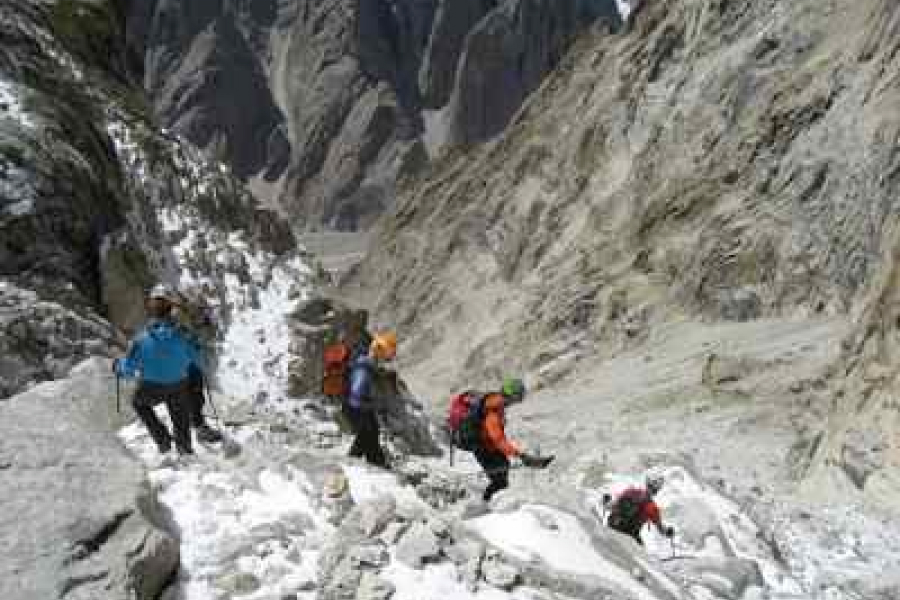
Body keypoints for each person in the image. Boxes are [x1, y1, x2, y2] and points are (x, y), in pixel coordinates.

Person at [114, 284, 203, 455]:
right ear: (170, 309)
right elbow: (195, 356)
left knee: (138, 403)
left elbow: (129, 369)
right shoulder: (183, 334)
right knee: (180, 418)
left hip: (152, 386)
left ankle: (163, 440)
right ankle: (185, 450)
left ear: (151, 309)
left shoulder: (141, 339)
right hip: (178, 384)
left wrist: (118, 366)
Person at [473, 377, 553, 502]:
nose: (518, 401)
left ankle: (486, 505)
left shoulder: (495, 404)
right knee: (500, 482)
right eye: (518, 397)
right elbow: (499, 440)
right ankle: (484, 509)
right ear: (512, 395)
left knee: (503, 468)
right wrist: (521, 455)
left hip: (487, 446)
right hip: (483, 448)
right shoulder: (492, 411)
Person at [171, 291, 223, 443]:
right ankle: (199, 429)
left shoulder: (176, 316)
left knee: (195, 395)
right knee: (194, 395)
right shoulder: (176, 316)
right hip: (184, 362)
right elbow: (186, 335)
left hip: (185, 361)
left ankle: (195, 427)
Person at [343, 331, 396, 468]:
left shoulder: (368, 366)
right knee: (367, 435)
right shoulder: (364, 368)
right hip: (359, 408)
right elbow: (357, 393)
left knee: (369, 435)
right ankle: (355, 465)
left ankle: (375, 464)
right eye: (386, 354)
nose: (386, 359)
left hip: (362, 408)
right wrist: (371, 404)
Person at [604, 473, 675, 545]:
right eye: (652, 488)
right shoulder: (651, 507)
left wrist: (606, 501)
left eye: (654, 489)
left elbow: (612, 506)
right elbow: (661, 530)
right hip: (622, 531)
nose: (652, 491)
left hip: (621, 530)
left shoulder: (631, 492)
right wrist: (668, 532)